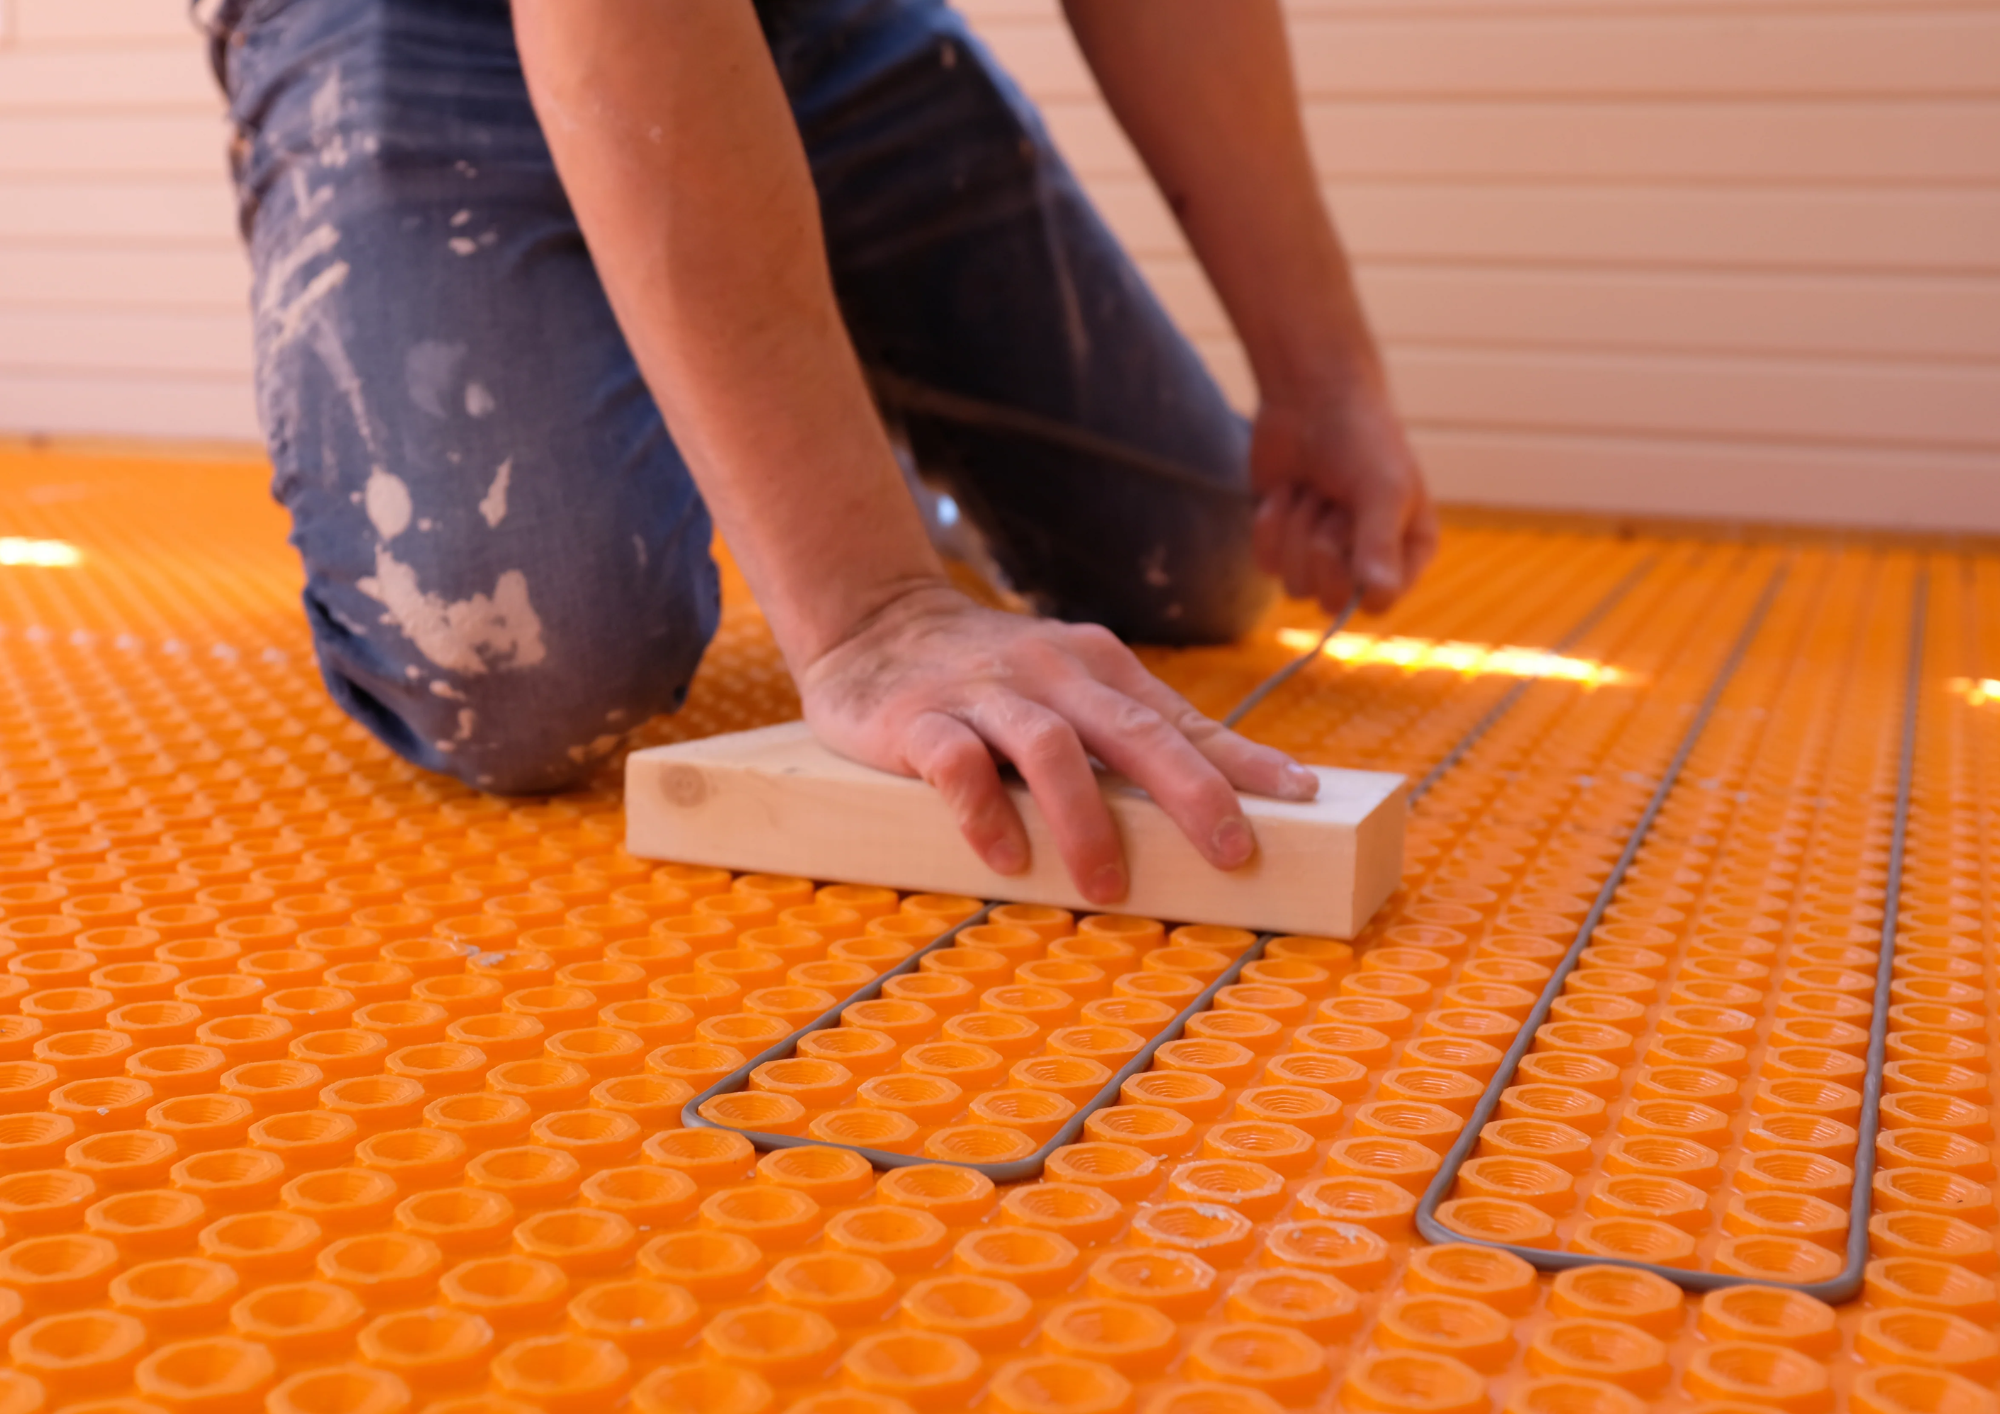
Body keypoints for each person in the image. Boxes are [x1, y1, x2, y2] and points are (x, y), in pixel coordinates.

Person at [205, 0, 1435, 906]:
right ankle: (693, 355)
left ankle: (762, 337)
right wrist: (871, 610)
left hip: (822, 23)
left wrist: (1320, 377)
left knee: (1195, 564)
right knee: (530, 657)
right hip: (408, 27)